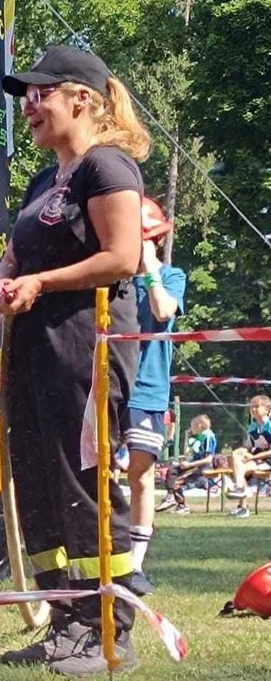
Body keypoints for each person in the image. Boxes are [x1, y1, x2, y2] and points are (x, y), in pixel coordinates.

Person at [0, 45, 147, 676]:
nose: (27, 105)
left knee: (79, 477)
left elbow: (122, 258)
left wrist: (42, 284)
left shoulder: (106, 167)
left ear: (80, 98)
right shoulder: (42, 180)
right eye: (24, 95)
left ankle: (110, 627)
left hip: (86, 341)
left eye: (40, 93)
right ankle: (64, 620)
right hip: (32, 346)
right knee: (37, 480)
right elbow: (17, 256)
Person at [124, 198, 185, 595]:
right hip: (108, 385)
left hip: (148, 389)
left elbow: (163, 312)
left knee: (142, 475)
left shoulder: (172, 275)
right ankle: (101, 555)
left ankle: (134, 565)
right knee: (101, 474)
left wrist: (148, 270)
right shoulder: (111, 277)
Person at [224, 394, 271, 517]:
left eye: (256, 406)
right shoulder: (253, 426)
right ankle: (241, 493)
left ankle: (243, 505)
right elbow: (249, 448)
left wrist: (252, 457)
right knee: (237, 458)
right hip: (257, 460)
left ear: (266, 409)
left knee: (239, 469)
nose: (253, 410)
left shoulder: (270, 426)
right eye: (251, 407)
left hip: (267, 461)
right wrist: (242, 452)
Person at [162, 414, 216, 515]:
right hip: (191, 465)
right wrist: (187, 438)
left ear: (199, 425)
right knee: (171, 471)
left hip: (201, 468)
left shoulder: (208, 436)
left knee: (176, 480)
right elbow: (187, 454)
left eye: (192, 425)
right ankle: (174, 501)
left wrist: (189, 465)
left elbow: (208, 459)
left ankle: (177, 502)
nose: (190, 428)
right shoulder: (197, 437)